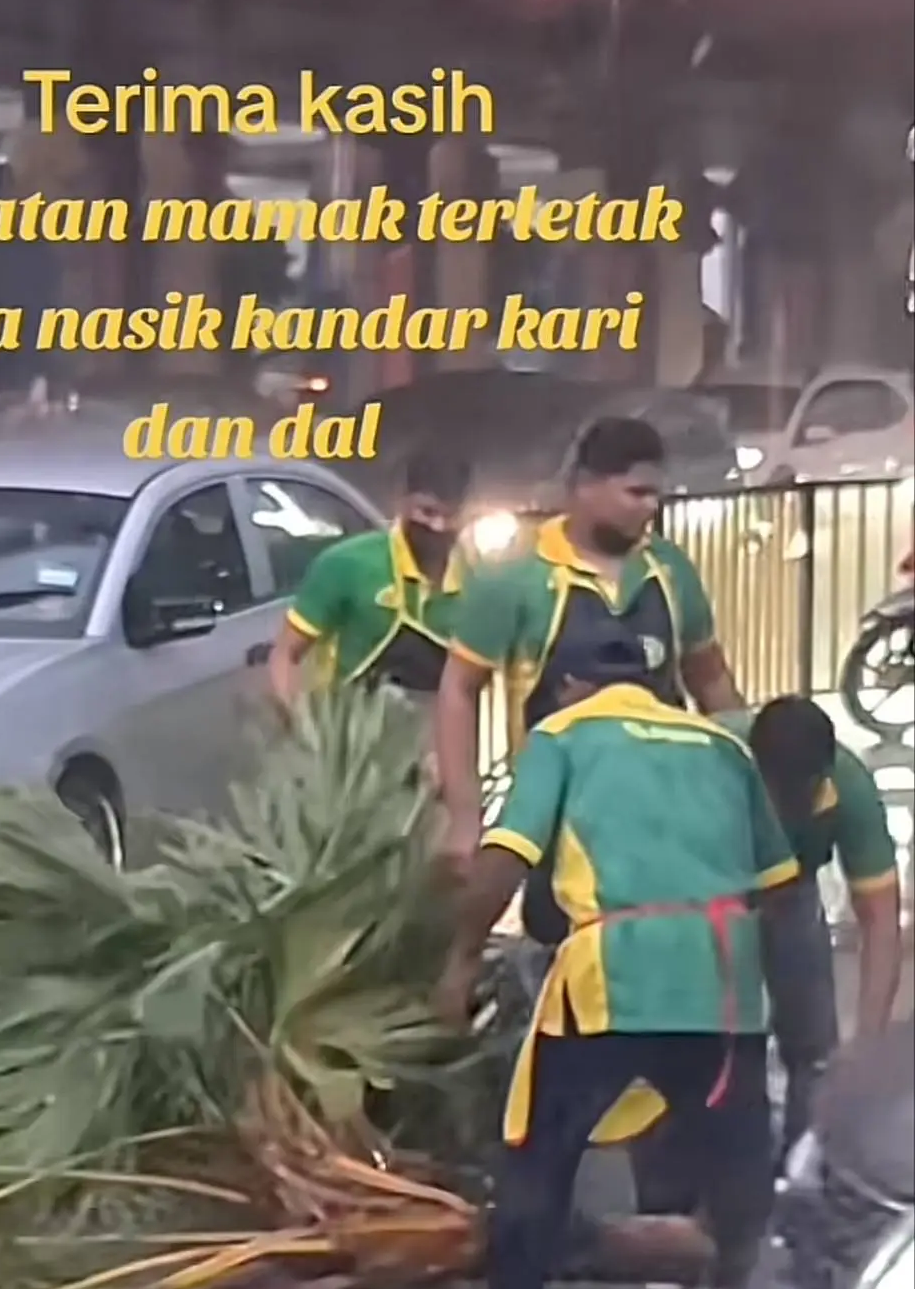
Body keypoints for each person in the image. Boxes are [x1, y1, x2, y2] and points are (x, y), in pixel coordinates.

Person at [436, 633, 799, 1289]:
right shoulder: (722, 745)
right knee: (741, 1171)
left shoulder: (563, 733)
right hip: (724, 983)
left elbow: (508, 855)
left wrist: (461, 960)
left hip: (614, 976)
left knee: (539, 1154)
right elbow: (783, 885)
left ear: (568, 683)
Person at [435, 416, 742, 880]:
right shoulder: (515, 574)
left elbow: (712, 679)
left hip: (667, 806)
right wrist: (465, 816)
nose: (651, 508)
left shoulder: (670, 569)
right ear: (585, 486)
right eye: (636, 493)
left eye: (656, 494)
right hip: (563, 817)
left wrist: (745, 777)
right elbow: (458, 690)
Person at [630, 694, 902, 1210]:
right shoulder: (697, 770)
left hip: (790, 895)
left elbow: (881, 919)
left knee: (818, 1052)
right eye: (778, 798)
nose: (788, 810)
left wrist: (867, 1043)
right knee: (688, 1045)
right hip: (691, 893)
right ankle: (667, 1201)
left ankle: (799, 1188)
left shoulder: (845, 788)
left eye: (800, 799)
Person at [267, 447, 471, 713]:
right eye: (427, 512)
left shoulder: (479, 575)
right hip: (349, 734)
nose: (439, 526)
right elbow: (285, 655)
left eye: (450, 515)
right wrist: (300, 724)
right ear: (402, 503)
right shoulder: (347, 564)